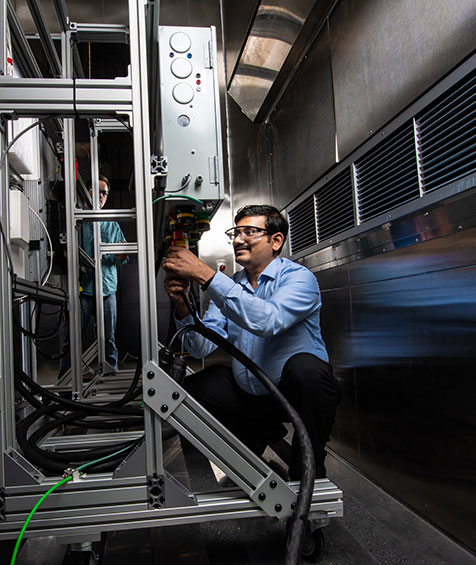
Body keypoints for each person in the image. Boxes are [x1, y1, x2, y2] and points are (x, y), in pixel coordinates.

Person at [161, 204, 342, 479]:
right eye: (235, 232)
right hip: (250, 396)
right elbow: (200, 347)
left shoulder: (299, 279)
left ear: (276, 240)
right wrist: (181, 305)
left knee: (308, 371)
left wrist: (205, 274)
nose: (237, 239)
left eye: (249, 232)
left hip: (292, 396)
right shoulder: (230, 286)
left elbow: (268, 320)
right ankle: (206, 481)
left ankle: (308, 466)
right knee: (193, 389)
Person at [60, 174, 128, 376]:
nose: (100, 196)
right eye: (96, 191)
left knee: (108, 339)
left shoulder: (111, 224)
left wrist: (121, 252)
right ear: (86, 192)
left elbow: (122, 256)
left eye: (104, 193)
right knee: (71, 339)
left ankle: (110, 378)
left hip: (107, 290)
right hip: (81, 290)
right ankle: (66, 380)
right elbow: (65, 253)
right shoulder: (76, 221)